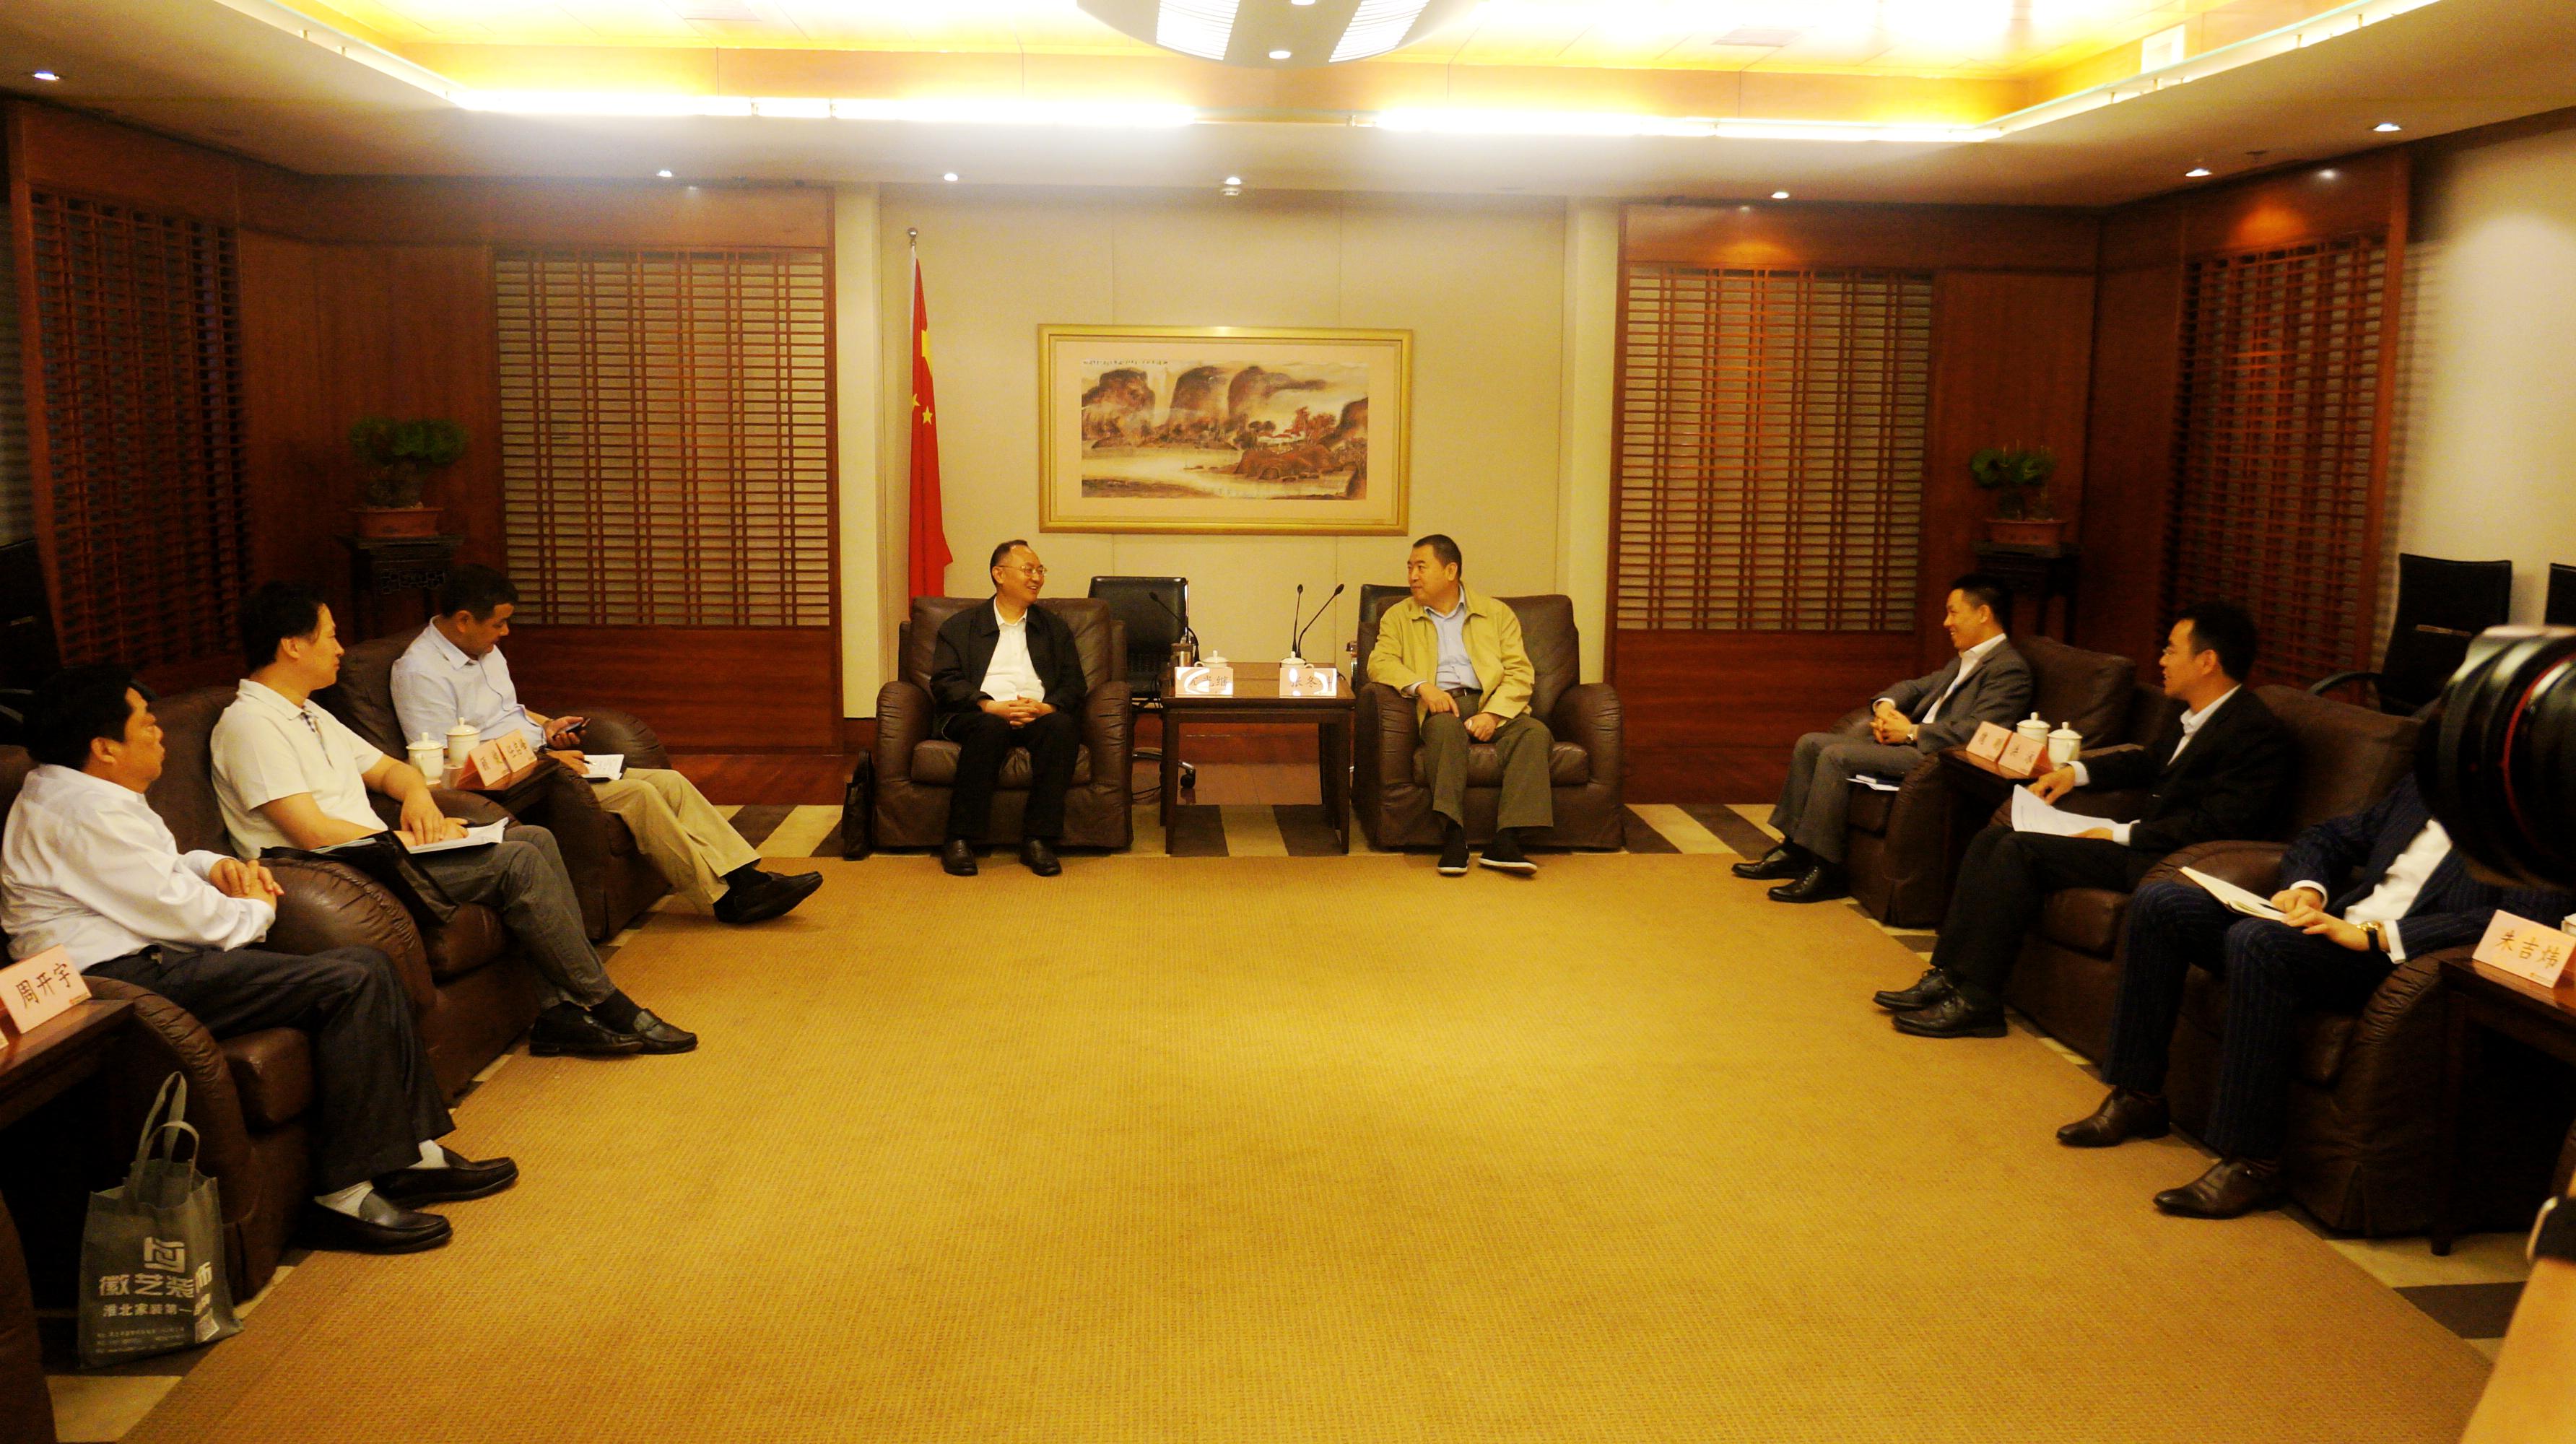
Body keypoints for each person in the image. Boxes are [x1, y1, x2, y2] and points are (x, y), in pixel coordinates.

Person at [1, 666, 516, 1253]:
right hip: (119, 986)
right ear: (104, 747)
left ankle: (409, 1154)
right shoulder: (81, 813)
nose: (159, 733)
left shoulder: (82, 792)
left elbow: (158, 868)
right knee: (351, 980)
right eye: (146, 724)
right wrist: (256, 908)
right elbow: (199, 921)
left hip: (151, 960)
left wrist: (211, 865)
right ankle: (343, 1195)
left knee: (367, 967)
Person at [210, 582, 695, 1059]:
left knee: (535, 839)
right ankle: (607, 1002)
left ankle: (557, 1014)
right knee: (519, 861)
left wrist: (419, 800)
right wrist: (405, 839)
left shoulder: (309, 713)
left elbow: (391, 770)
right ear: (293, 646)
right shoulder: (251, 725)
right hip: (335, 871)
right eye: (331, 635)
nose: (340, 649)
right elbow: (310, 831)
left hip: (378, 852)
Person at [2058, 770, 2572, 1217]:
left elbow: (2522, 923)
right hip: (2331, 928)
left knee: (2258, 942)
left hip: (2389, 961)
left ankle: (2253, 1163)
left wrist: (2376, 936)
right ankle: (2137, 1096)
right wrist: (2308, 887)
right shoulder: (2427, 786)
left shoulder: (2536, 817)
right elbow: (2327, 836)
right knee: (2161, 902)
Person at [1877, 603, 2294, 1038]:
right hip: (2146, 843)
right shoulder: (2194, 715)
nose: (2162, 661)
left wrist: (2118, 832)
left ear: (2207, 661)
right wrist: (2074, 772)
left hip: (2172, 864)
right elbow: (2150, 761)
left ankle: (1979, 1000)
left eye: (2172, 651)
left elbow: (2218, 827)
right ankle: (1948, 974)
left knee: (2019, 850)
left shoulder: (2253, 733)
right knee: (1993, 838)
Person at [388, 565, 821, 926]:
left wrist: (547, 726)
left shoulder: (483, 649)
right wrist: (547, 761)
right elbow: (447, 763)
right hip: (519, 783)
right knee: (640, 795)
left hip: (542, 759)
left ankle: (746, 877)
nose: (506, 632)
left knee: (670, 782)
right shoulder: (421, 672)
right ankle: (723, 899)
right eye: (498, 624)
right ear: (464, 620)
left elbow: (508, 712)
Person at [1736, 573, 2032, 902]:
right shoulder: (1966, 659)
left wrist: (1912, 732)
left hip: (1934, 758)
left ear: (1983, 613)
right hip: (1908, 745)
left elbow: (1982, 731)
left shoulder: (2008, 669)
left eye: (1953, 612)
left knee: (1836, 756)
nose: (1946, 622)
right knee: (1810, 744)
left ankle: (1828, 868)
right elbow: (1913, 687)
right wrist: (1886, 708)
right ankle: (1795, 849)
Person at [1366, 534, 1552, 877]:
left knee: (1534, 733)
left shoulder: (1496, 614)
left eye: (1421, 567)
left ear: (1450, 571)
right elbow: (1380, 662)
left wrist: (1492, 714)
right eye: (1410, 568)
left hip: (1492, 702)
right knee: (1443, 731)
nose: (1412, 576)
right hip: (1441, 705)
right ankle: (1454, 836)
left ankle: (1507, 840)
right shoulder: (1398, 616)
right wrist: (1423, 687)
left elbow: (1519, 672)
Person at [928, 540, 1087, 877]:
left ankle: (1038, 840)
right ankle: (960, 839)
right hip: (979, 714)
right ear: (999, 574)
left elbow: (1075, 685)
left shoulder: (1054, 628)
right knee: (991, 728)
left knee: (1061, 727)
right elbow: (944, 682)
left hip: (1036, 714)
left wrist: (1047, 708)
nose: (1037, 578)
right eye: (1028, 570)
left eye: (1040, 570)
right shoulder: (960, 627)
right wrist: (988, 705)